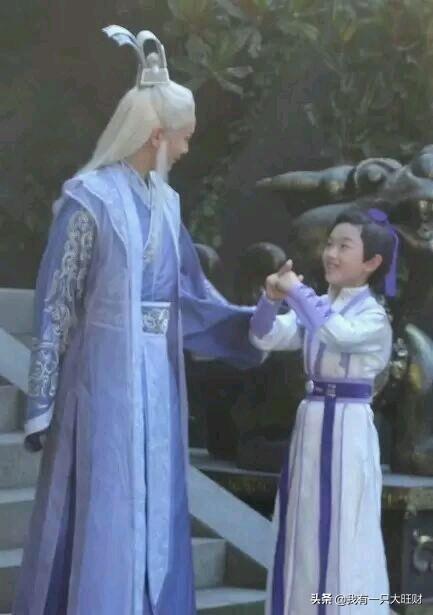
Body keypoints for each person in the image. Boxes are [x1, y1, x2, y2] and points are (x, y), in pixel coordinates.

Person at [13, 26, 262, 615]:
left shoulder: (167, 204)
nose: (186, 149)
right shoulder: (89, 199)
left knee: (156, 501)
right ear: (157, 135)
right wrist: (42, 400)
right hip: (102, 380)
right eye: (184, 137)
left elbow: (188, 297)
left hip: (159, 381)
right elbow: (57, 301)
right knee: (109, 500)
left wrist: (256, 320)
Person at [249, 208, 396, 614]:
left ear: (371, 262)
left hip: (349, 427)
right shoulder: (318, 307)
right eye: (330, 244)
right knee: (303, 523)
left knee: (345, 528)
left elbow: (337, 334)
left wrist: (298, 292)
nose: (331, 253)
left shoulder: (373, 317)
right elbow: (264, 337)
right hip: (311, 422)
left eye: (344, 246)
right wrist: (271, 299)